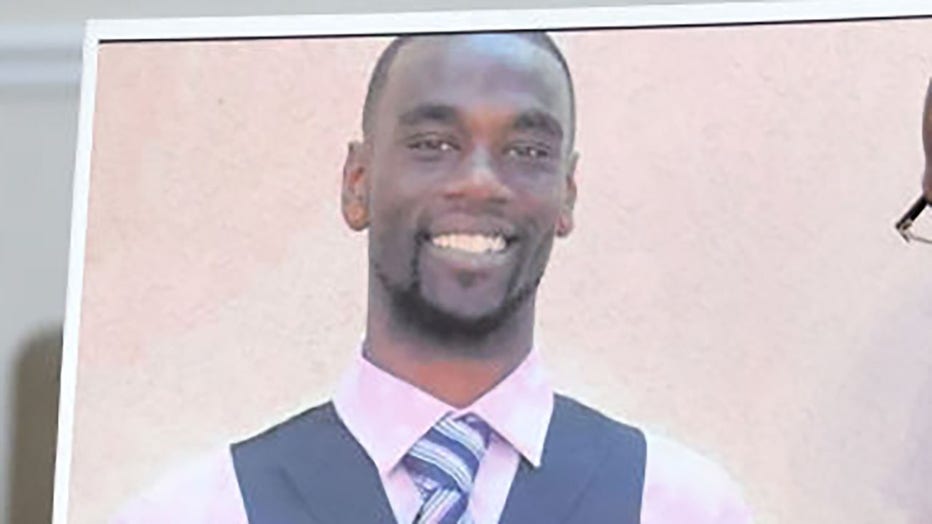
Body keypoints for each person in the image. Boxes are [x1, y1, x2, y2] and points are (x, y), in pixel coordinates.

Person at [114, 32, 752, 523]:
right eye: (433, 143)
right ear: (357, 184)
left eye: (527, 152)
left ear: (567, 196)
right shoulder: (200, 510)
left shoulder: (681, 507)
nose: (479, 180)